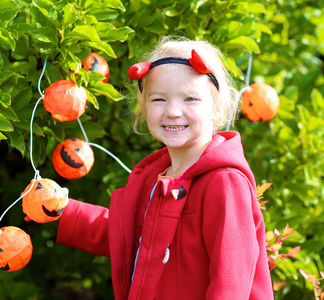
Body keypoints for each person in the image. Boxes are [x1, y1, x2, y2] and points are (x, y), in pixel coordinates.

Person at [53, 37, 274, 299]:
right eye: (159, 99)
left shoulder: (224, 181)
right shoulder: (157, 176)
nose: (172, 111)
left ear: (215, 108)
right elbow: (130, 234)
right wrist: (62, 211)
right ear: (143, 106)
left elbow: (231, 283)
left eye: (190, 99)